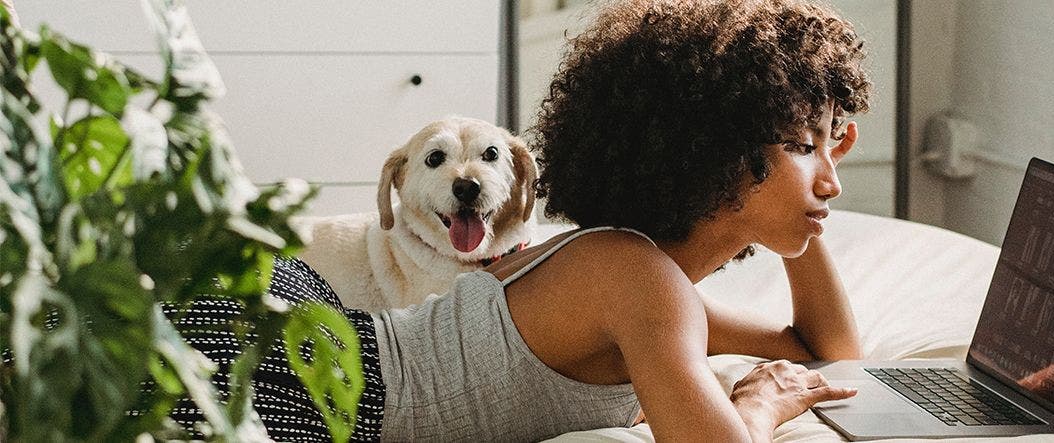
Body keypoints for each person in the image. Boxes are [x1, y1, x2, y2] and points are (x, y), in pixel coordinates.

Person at [160, 0, 873, 441]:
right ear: (720, 154)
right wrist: (758, 402)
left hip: (324, 348)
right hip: (308, 379)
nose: (831, 177)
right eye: (802, 146)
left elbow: (827, 347)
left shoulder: (641, 279)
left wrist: (800, 210)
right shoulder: (636, 279)